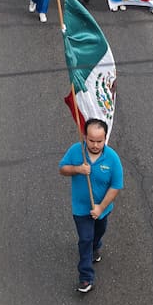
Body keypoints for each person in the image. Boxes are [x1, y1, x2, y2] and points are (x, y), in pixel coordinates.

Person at [58, 119, 124, 295]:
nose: (95, 145)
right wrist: (78, 169)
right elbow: (62, 169)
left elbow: (116, 186)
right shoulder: (75, 151)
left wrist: (101, 208)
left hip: (102, 211)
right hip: (81, 209)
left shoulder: (112, 158)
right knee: (85, 239)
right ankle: (86, 277)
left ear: (105, 138)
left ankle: (96, 246)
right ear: (85, 137)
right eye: (91, 140)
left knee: (98, 233)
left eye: (99, 141)